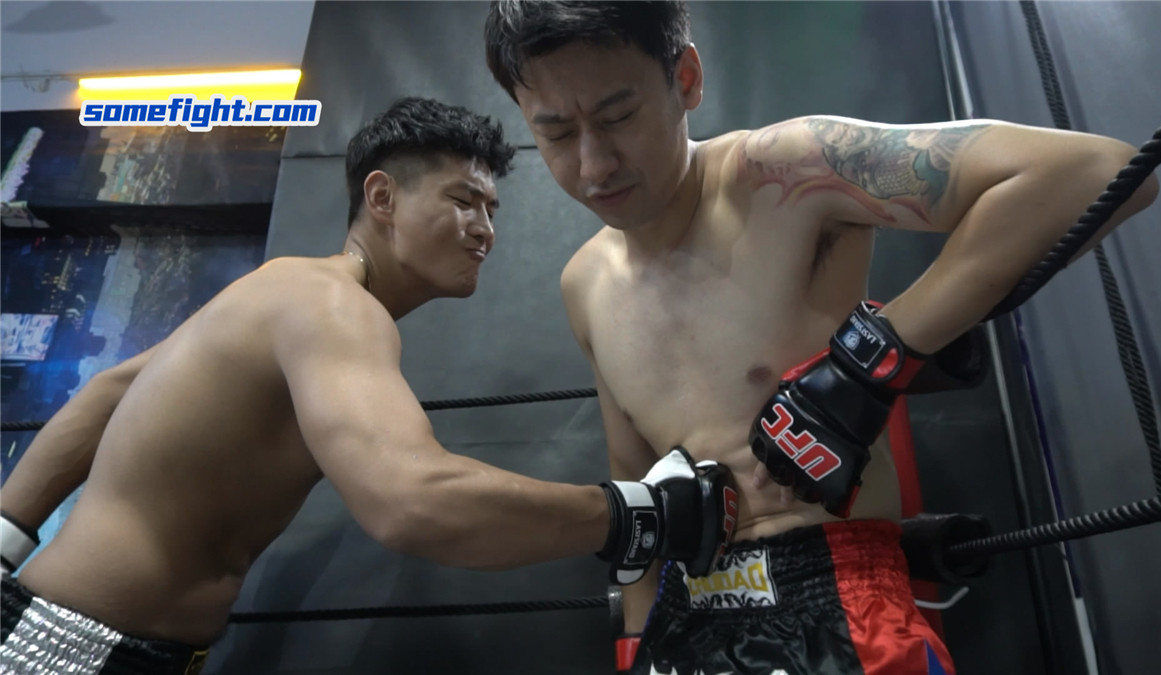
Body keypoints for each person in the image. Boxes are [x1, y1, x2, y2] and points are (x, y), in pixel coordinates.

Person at [484, 2, 1160, 673]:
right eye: (555, 133)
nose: (594, 164)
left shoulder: (787, 171)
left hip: (841, 600)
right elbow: (635, 486)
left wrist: (875, 358)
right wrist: (635, 647)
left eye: (618, 116)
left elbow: (1099, 172)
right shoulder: (583, 284)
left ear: (685, 78)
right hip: (684, 627)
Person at [0, 97, 738, 675]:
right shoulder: (331, 305)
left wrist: (5, 537)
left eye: (491, 209)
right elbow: (414, 501)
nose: (484, 228)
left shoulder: (289, 292)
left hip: (100, 637)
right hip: (73, 646)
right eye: (463, 200)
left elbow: (110, 391)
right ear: (381, 198)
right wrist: (635, 514)